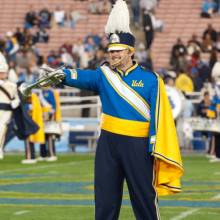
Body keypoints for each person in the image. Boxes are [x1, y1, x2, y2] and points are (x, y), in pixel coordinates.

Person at [33, 0, 183, 219]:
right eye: (111, 51)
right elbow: (83, 76)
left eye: (118, 51)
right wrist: (62, 74)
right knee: (105, 199)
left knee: (144, 198)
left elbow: (159, 116)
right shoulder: (103, 75)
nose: (113, 55)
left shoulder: (151, 79)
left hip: (138, 145)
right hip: (108, 143)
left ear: (130, 51)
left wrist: (153, 142)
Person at [0, 52, 20, 159]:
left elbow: (16, 98)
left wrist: (15, 102)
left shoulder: (11, 85)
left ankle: (0, 149)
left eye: (4, 72)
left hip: (6, 111)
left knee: (2, 129)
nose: (2, 74)